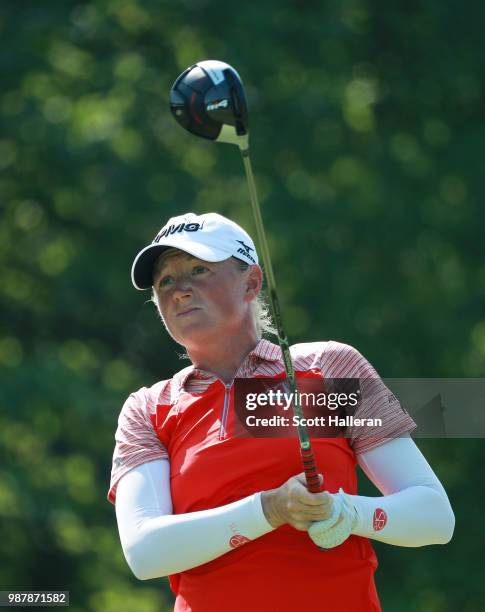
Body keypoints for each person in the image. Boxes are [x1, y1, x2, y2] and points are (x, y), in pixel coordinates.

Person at [108, 211, 455, 612]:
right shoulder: (149, 409)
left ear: (252, 282)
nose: (179, 290)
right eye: (165, 280)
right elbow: (145, 551)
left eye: (199, 270)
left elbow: (434, 516)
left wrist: (347, 511)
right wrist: (270, 509)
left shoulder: (329, 367)